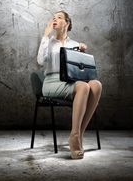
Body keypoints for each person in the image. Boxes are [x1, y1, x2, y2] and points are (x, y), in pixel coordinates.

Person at [37, 10, 102, 159]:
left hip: (70, 81)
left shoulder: (74, 44)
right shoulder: (49, 41)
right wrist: (45, 36)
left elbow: (81, 70)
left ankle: (78, 135)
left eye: (59, 17)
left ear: (67, 23)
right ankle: (75, 136)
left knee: (96, 85)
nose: (55, 19)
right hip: (51, 82)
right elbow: (40, 61)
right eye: (53, 18)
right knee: (83, 86)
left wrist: (82, 53)